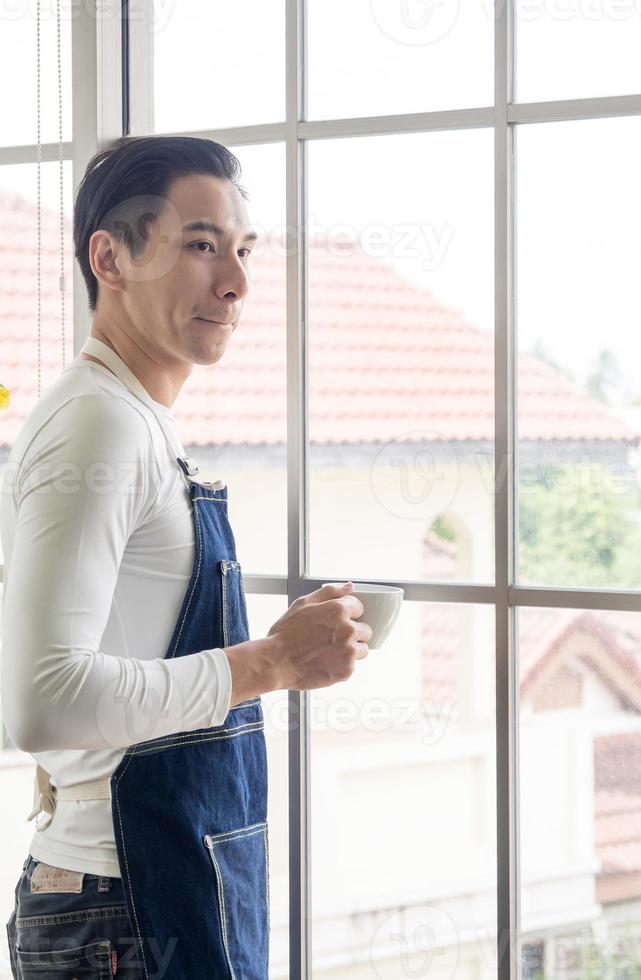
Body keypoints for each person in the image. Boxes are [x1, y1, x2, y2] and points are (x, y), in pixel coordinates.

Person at [1, 135, 372, 980]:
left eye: (241, 250)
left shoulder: (133, 423)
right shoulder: (98, 425)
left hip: (155, 889)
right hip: (123, 904)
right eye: (201, 245)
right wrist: (271, 660)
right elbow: (42, 701)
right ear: (111, 257)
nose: (236, 282)